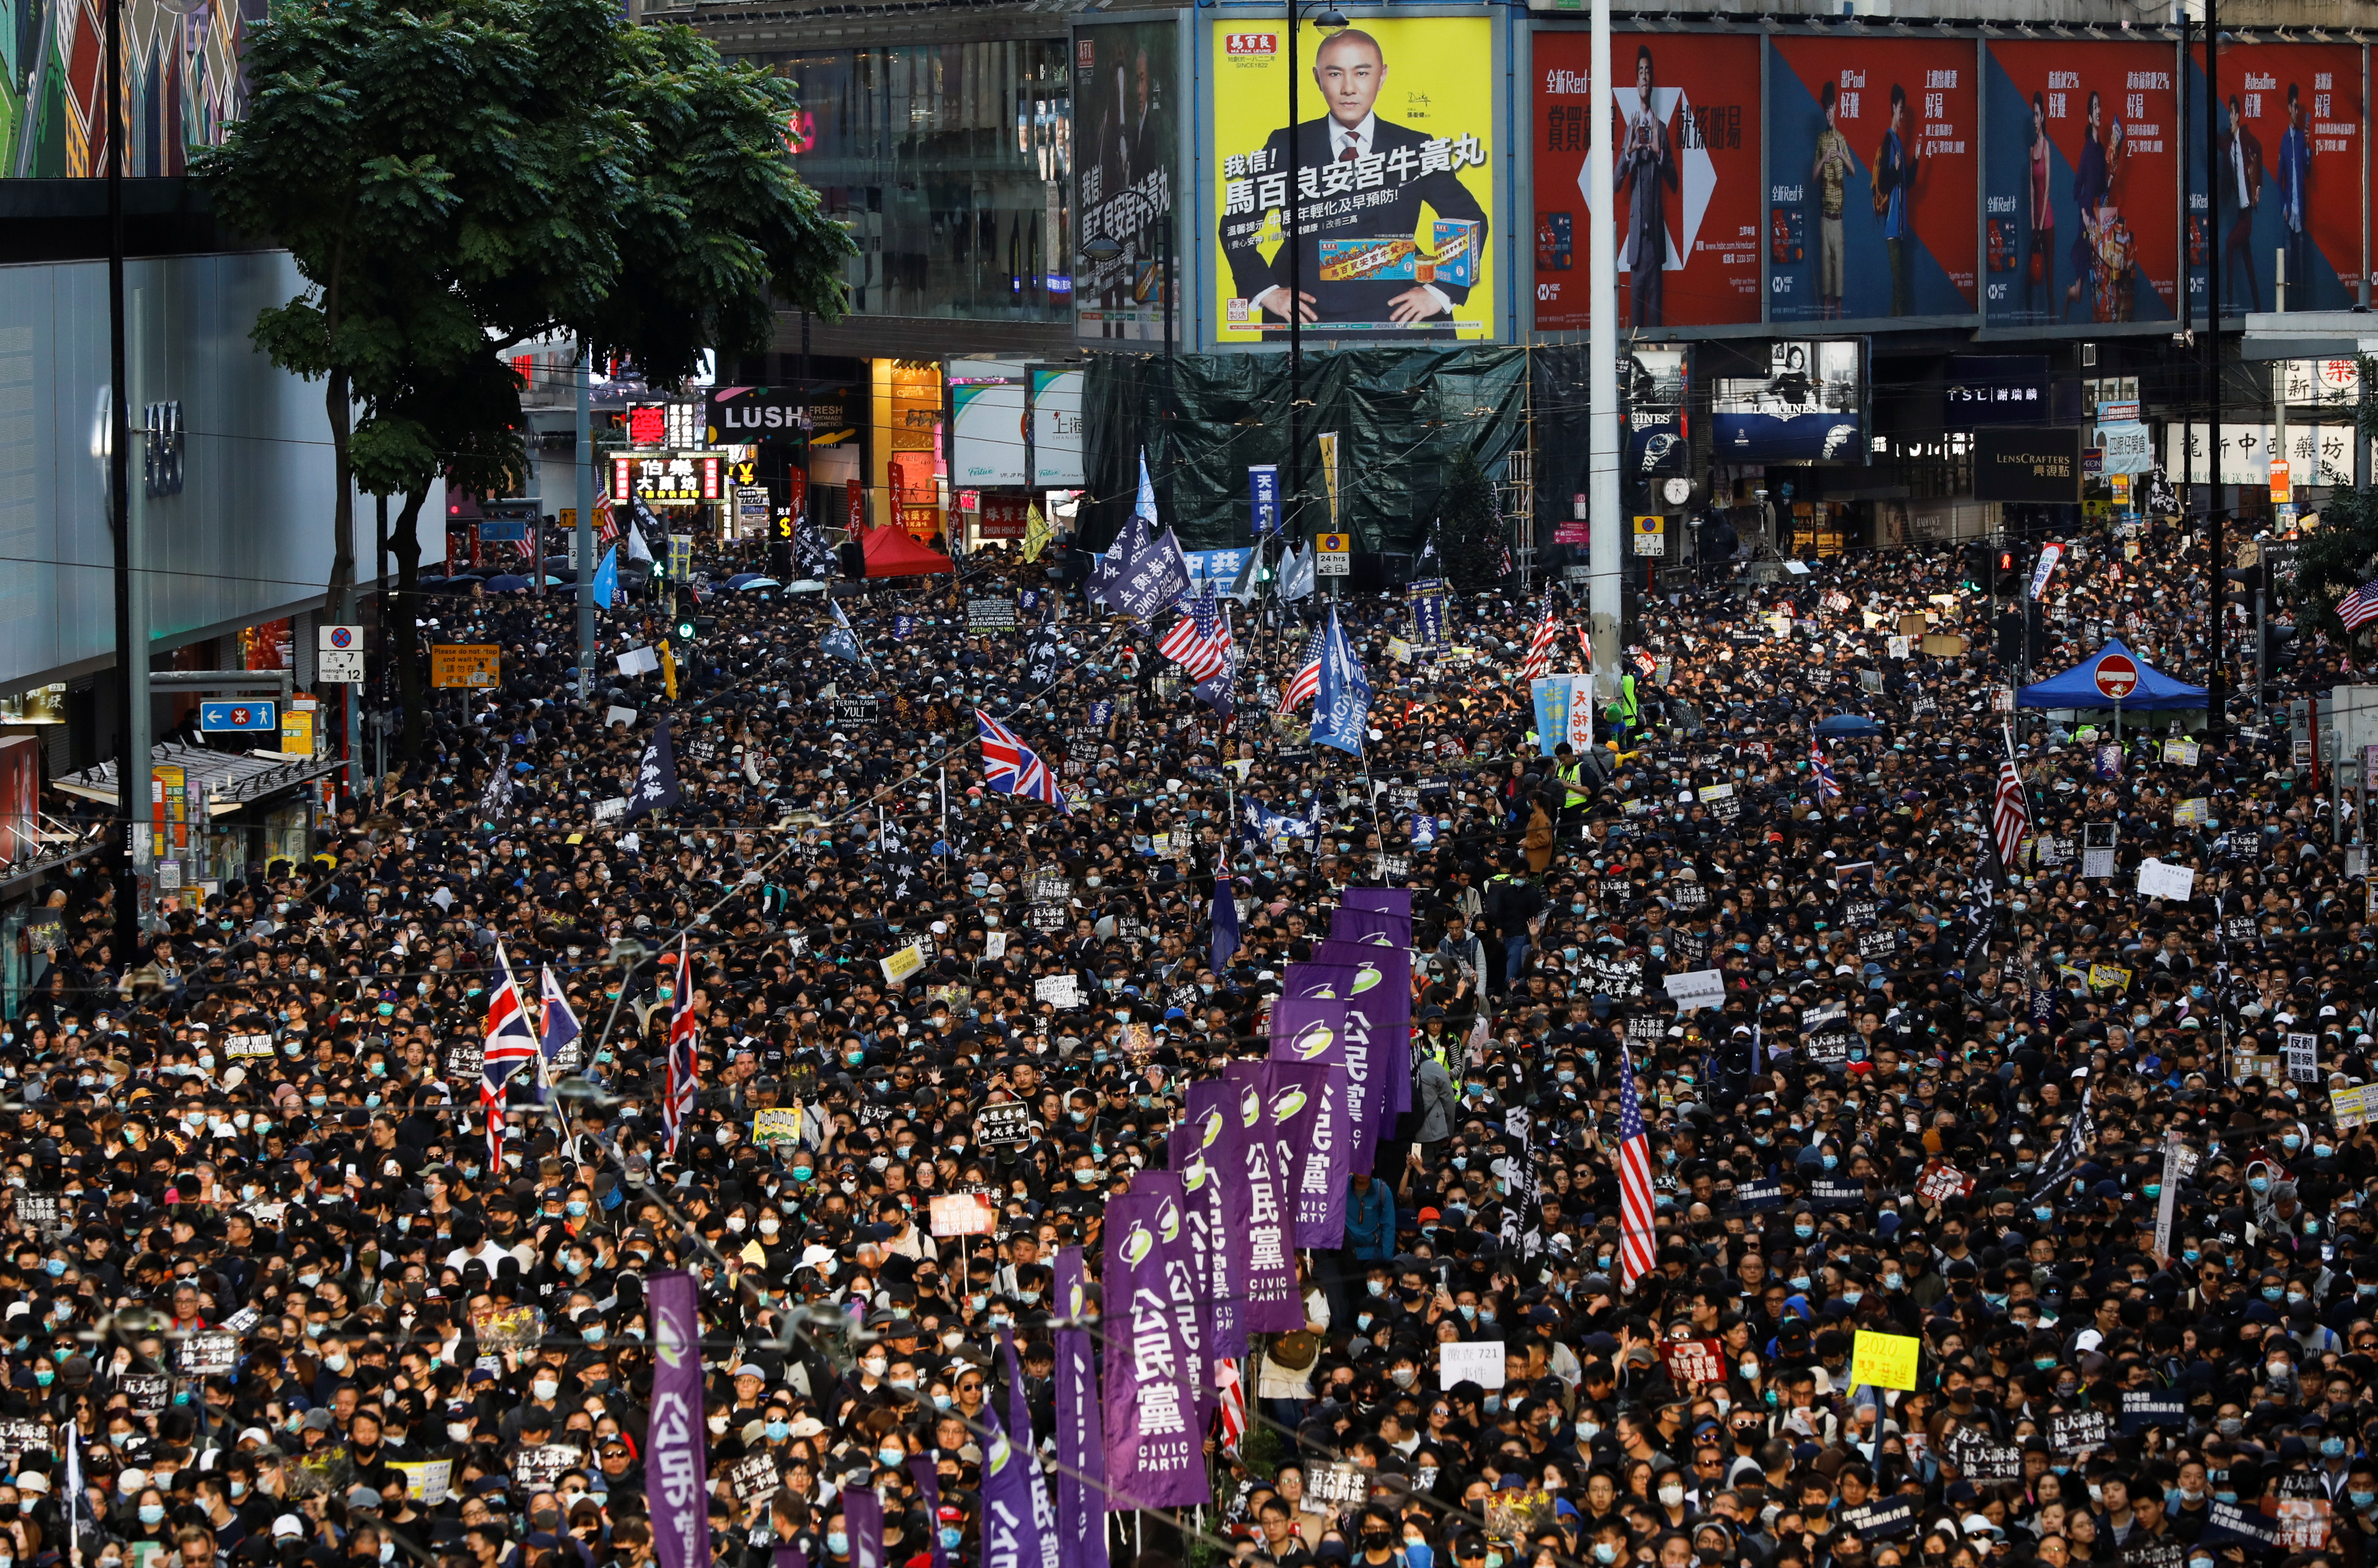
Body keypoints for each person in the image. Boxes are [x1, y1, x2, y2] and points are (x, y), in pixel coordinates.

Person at [1217, 27, 1491, 333]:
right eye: (1335, 74)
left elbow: (1469, 218)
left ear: (1382, 76)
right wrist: (1268, 292)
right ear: (1317, 78)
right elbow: (1235, 226)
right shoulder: (1286, 145)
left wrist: (1440, 293)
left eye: (1362, 73)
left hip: (1397, 313)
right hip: (1305, 316)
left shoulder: (1415, 147)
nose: (1349, 88)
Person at [1619, 45, 1677, 328]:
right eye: (1640, 72)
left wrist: (1660, 152)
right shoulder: (1630, 130)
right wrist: (1629, 153)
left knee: (1656, 324)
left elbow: (1675, 182)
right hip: (1635, 250)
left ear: (1652, 81)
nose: (1644, 77)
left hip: (1655, 246)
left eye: (1648, 72)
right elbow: (1616, 182)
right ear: (1636, 82)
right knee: (1635, 327)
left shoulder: (1662, 130)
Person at [1874, 83, 1923, 317]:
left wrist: (1918, 159)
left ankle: (1892, 332)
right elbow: (1884, 183)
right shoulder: (1888, 140)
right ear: (1893, 108)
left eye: (1904, 111)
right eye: (1901, 110)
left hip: (1901, 229)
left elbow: (1907, 183)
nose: (1902, 116)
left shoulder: (1900, 145)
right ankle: (1898, 333)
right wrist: (1893, 169)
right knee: (1900, 288)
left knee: (1899, 288)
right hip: (1893, 228)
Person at [1812, 80, 1855, 321]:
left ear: (1836, 108)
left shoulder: (1841, 139)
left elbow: (1854, 171)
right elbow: (1813, 177)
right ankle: (1825, 327)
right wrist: (1823, 161)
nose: (1829, 113)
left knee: (1838, 290)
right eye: (1825, 109)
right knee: (1826, 285)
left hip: (1838, 220)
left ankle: (1840, 327)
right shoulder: (1820, 141)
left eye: (1831, 108)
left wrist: (1840, 155)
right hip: (1824, 219)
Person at [2221, 92, 2263, 314]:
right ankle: (2257, 307)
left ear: (2237, 116)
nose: (2229, 117)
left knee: (2229, 245)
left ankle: (2228, 304)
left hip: (2247, 215)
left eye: (2231, 113)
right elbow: (2219, 143)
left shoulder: (2245, 138)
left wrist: (2258, 187)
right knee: (2249, 266)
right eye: (2228, 112)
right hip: (2240, 213)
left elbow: (2260, 149)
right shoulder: (2229, 142)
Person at [2279, 82, 2312, 308]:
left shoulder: (2301, 138)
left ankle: (2300, 308)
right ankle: (2289, 308)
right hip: (2289, 213)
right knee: (2288, 267)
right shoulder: (2284, 140)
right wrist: (2283, 206)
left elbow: (2307, 170)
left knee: (2301, 267)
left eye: (2298, 106)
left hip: (2301, 213)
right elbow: (2280, 177)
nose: (2296, 110)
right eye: (2293, 106)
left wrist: (2308, 145)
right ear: (2288, 108)